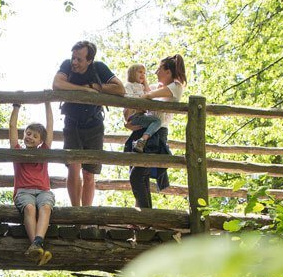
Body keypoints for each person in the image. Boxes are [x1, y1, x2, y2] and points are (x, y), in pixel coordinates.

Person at [52, 40, 125, 207]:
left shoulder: (98, 67)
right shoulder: (67, 66)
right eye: (73, 58)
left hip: (94, 125)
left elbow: (120, 89)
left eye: (79, 59)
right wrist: (84, 89)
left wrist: (95, 86)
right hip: (72, 124)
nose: (74, 62)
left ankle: (86, 214)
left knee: (89, 173)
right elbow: (57, 84)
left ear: (89, 60)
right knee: (73, 167)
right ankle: (76, 212)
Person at [125, 54, 187, 209]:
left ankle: (145, 217)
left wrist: (144, 95)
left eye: (159, 68)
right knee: (140, 176)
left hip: (156, 135)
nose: (155, 72)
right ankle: (143, 220)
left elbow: (147, 96)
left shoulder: (176, 87)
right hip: (142, 132)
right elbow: (133, 103)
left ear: (168, 72)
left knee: (137, 176)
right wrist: (129, 121)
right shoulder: (155, 87)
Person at [9, 102, 55, 266]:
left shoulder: (44, 151)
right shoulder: (17, 151)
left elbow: (50, 126)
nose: (30, 137)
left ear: (40, 141)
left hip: (43, 191)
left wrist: (48, 103)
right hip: (23, 191)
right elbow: (12, 126)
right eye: (28, 133)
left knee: (46, 208)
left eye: (35, 136)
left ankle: (37, 245)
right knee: (29, 208)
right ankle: (37, 244)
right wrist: (16, 106)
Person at [123, 64, 163, 152]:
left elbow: (150, 94)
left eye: (144, 73)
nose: (143, 75)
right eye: (140, 72)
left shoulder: (142, 86)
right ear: (132, 73)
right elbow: (128, 98)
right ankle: (142, 140)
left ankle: (141, 140)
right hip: (134, 116)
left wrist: (145, 83)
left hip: (141, 116)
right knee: (157, 121)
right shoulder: (129, 85)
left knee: (156, 121)